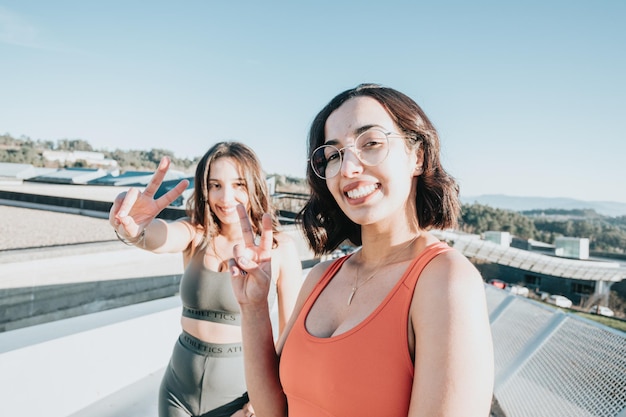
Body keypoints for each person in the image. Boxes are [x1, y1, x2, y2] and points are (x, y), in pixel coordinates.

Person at [229, 84, 495, 417]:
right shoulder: (322, 276)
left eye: (370, 144)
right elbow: (275, 410)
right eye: (333, 155)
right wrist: (253, 308)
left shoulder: (446, 281)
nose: (348, 168)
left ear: (418, 155)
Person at [109, 142, 302, 417]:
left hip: (241, 400)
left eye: (238, 185)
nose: (226, 197)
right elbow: (160, 236)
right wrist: (133, 229)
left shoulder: (279, 248)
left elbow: (290, 338)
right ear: (205, 190)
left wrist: (259, 404)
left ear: (255, 187)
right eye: (215, 185)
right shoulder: (196, 234)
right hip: (177, 393)